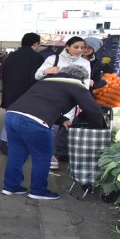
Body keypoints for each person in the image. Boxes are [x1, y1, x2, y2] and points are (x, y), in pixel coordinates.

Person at [2, 65, 104, 200]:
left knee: (16, 154)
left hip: (12, 115)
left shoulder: (46, 81)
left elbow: (42, 102)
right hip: (34, 122)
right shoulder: (76, 85)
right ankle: (38, 191)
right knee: (42, 157)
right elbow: (93, 110)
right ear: (81, 78)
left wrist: (61, 120)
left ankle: (10, 187)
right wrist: (101, 127)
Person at [35, 36, 91, 168]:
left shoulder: (85, 63)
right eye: (76, 47)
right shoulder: (53, 59)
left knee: (65, 127)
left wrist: (82, 101)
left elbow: (86, 84)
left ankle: (59, 153)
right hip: (51, 100)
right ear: (67, 46)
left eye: (82, 48)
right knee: (51, 127)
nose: (79, 50)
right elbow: (37, 76)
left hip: (71, 102)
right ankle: (49, 155)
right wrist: (46, 71)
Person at [0, 33, 45, 155]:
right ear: (35, 44)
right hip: (27, 94)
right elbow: (35, 78)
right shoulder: (37, 58)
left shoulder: (10, 56)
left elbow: (3, 75)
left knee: (10, 117)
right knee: (24, 120)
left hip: (9, 92)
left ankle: (3, 140)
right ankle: (10, 144)